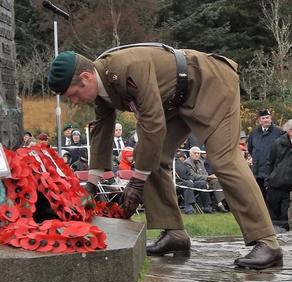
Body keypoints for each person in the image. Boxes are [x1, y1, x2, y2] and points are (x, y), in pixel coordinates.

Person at [48, 44, 282, 269]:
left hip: (209, 83)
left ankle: (266, 242)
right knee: (149, 156)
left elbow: (153, 124)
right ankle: (175, 232)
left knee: (223, 159)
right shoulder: (102, 86)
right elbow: (101, 130)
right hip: (177, 99)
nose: (74, 101)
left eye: (73, 94)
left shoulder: (127, 68)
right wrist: (90, 185)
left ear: (86, 77)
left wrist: (137, 183)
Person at [248, 109, 283, 200]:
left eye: (267, 117)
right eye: (263, 118)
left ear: (271, 118)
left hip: (273, 171)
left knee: (272, 198)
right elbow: (251, 149)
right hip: (258, 171)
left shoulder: (279, 132)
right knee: (260, 197)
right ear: (259, 120)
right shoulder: (254, 133)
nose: (266, 120)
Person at [264, 119, 292, 232]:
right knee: (273, 210)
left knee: (286, 213)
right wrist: (268, 180)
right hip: (275, 182)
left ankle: (285, 233)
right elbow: (270, 162)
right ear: (289, 131)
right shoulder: (278, 143)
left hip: (290, 186)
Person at [184, 146, 227, 213]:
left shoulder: (200, 162)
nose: (197, 155)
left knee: (217, 181)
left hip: (204, 180)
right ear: (190, 154)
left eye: (198, 153)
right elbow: (193, 176)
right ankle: (211, 205)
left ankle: (220, 203)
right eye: (195, 153)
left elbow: (205, 173)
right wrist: (207, 177)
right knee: (204, 183)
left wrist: (210, 177)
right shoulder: (187, 163)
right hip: (194, 183)